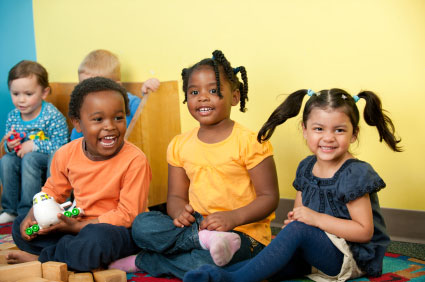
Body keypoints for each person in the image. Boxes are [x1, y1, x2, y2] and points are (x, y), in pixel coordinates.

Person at [184, 88, 402, 282]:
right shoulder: (307, 167)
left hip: (350, 256)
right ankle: (222, 276)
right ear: (305, 129)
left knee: (296, 234)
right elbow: (299, 214)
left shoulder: (354, 173)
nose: (328, 138)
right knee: (273, 263)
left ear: (354, 134)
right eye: (319, 129)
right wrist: (295, 224)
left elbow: (364, 232)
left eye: (339, 130)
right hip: (318, 248)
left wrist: (312, 220)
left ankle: (235, 280)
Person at [109, 50, 279, 279]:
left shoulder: (251, 142)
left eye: (213, 90)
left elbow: (269, 197)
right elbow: (176, 198)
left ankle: (146, 261)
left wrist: (233, 218)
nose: (202, 97)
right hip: (198, 228)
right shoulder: (180, 144)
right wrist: (179, 213)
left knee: (205, 263)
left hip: (244, 235)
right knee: (142, 225)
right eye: (194, 92)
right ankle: (199, 242)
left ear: (235, 97)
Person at [6, 77, 152, 272]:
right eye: (98, 119)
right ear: (78, 124)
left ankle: (45, 258)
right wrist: (33, 215)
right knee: (19, 227)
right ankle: (72, 253)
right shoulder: (65, 153)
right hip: (76, 224)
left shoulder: (135, 160)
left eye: (118, 118)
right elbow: (53, 191)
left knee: (96, 240)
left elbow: (128, 215)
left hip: (118, 231)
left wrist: (76, 228)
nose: (110, 126)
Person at [0, 60, 68, 224]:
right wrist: (10, 146)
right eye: (16, 94)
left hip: (46, 159)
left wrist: (34, 145)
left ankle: (27, 210)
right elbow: (8, 144)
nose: (21, 100)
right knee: (7, 160)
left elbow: (62, 145)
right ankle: (10, 209)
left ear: (44, 93)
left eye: (28, 94)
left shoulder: (51, 115)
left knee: (30, 158)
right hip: (21, 158)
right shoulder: (13, 116)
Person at [70, 49, 160, 140]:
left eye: (96, 88)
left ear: (117, 86)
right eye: (83, 87)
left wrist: (148, 92)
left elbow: (149, 119)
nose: (88, 93)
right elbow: (76, 140)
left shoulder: (131, 103)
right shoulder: (84, 107)